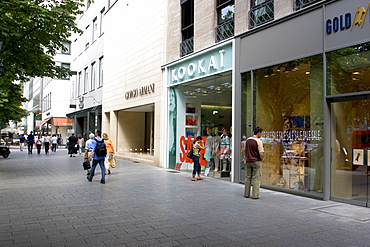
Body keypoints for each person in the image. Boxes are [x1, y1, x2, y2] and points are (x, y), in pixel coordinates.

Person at [244, 127, 264, 199]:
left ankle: (246, 193)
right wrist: (262, 158)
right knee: (256, 178)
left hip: (248, 160)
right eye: (261, 133)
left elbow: (244, 150)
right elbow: (261, 153)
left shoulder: (248, 140)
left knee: (248, 177)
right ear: (258, 133)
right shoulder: (258, 141)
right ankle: (255, 195)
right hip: (256, 161)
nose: (261, 134)